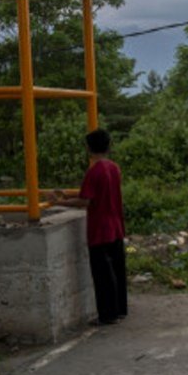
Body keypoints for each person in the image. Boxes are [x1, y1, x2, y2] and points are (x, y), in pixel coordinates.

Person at [51, 129, 127, 325]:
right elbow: (95, 193)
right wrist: (67, 195)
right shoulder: (113, 168)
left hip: (100, 229)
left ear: (89, 148)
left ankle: (108, 315)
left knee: (103, 275)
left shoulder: (94, 171)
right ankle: (119, 310)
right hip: (116, 225)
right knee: (117, 270)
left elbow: (86, 201)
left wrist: (57, 203)